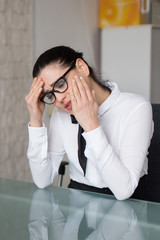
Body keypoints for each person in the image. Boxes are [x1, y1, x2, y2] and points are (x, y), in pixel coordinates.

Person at [25, 45, 153, 200]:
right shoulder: (62, 113)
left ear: (82, 67)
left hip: (129, 207)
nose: (58, 99)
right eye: (49, 95)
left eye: (60, 84)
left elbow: (124, 190)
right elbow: (42, 180)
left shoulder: (136, 107)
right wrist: (35, 121)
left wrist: (90, 124)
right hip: (78, 205)